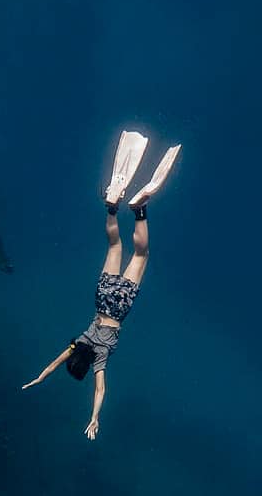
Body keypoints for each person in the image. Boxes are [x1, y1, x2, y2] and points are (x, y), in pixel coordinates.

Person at [22, 132, 181, 440]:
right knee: (113, 247)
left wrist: (94, 418)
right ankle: (112, 207)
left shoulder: (99, 359)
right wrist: (38, 379)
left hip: (119, 308)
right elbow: (53, 365)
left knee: (141, 254)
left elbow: (100, 390)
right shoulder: (77, 345)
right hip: (102, 298)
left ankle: (139, 210)